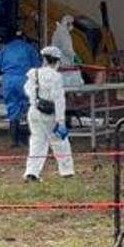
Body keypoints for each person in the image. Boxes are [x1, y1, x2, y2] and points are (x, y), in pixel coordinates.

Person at [23, 46, 74, 181]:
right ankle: (66, 171)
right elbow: (59, 100)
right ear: (57, 61)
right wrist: (61, 121)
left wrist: (35, 100)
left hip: (34, 111)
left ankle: (32, 172)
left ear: (44, 59)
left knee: (37, 141)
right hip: (50, 114)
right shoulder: (56, 77)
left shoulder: (33, 73)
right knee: (60, 142)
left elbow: (27, 90)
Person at [0, 30, 42, 148]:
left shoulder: (5, 48)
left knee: (12, 107)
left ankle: (14, 140)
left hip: (8, 80)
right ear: (24, 38)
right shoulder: (29, 48)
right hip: (24, 79)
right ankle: (26, 138)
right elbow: (37, 65)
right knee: (27, 106)